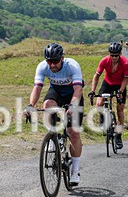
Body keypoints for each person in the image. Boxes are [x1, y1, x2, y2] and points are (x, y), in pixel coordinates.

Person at [26, 43, 85, 185]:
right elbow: (37, 88)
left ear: (62, 58)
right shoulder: (42, 67)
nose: (52, 65)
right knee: (47, 105)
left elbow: (78, 89)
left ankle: (75, 170)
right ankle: (53, 137)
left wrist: (72, 106)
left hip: (73, 95)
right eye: (49, 61)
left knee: (73, 133)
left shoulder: (72, 66)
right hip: (57, 92)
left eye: (55, 61)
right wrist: (31, 105)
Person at [88, 42, 128, 149]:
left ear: (120, 53)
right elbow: (96, 76)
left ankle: (119, 136)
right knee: (99, 104)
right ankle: (103, 117)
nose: (114, 57)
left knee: (120, 111)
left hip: (119, 85)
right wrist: (93, 90)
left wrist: (121, 91)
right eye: (112, 55)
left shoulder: (125, 63)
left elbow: (126, 78)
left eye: (116, 55)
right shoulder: (104, 61)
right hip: (107, 83)